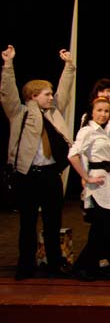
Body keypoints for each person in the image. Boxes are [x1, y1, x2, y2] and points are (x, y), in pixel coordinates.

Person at [1, 45, 75, 280]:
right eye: (47, 94)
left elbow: (65, 90)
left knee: (53, 223)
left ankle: (54, 264)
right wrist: (8, 64)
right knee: (28, 223)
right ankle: (26, 265)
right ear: (33, 96)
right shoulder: (19, 112)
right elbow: (7, 93)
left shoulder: (54, 112)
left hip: (51, 174)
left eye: (51, 94)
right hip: (28, 175)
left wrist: (69, 66)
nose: (52, 97)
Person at [67, 97, 110, 281]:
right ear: (92, 112)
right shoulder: (87, 131)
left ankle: (90, 266)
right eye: (99, 110)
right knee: (103, 227)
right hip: (98, 182)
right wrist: (86, 176)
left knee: (102, 228)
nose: (103, 114)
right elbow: (73, 155)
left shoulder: (103, 130)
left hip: (109, 180)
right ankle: (82, 265)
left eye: (106, 111)